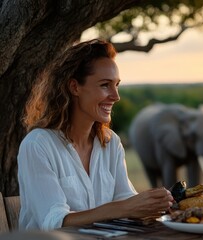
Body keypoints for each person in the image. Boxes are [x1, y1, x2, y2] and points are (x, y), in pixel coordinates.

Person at [17, 39, 173, 230]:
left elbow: (124, 199)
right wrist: (124, 208)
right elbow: (54, 221)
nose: (116, 96)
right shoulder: (37, 145)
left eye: (117, 85)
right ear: (74, 87)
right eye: (105, 85)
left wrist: (153, 204)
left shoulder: (111, 142)